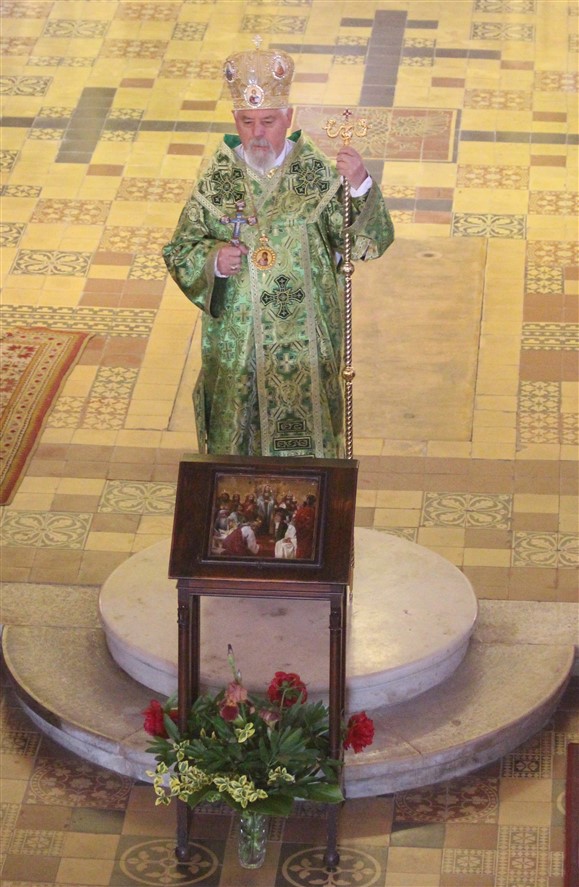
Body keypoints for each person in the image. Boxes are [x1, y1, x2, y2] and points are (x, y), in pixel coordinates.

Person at [163, 39, 394, 458]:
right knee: (238, 446)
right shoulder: (217, 180)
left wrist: (359, 184)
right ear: (235, 120)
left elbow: (362, 243)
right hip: (240, 345)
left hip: (308, 343)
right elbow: (180, 250)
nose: (258, 133)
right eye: (248, 122)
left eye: (268, 121)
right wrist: (214, 260)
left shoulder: (315, 175)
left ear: (288, 117)